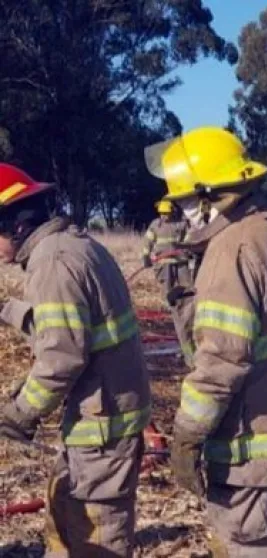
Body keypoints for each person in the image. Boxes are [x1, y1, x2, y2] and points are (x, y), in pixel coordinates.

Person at [143, 126, 267, 557]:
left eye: (184, 202)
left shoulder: (232, 251)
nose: (179, 214)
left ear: (210, 198)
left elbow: (221, 363)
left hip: (251, 451)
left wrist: (186, 436)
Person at [0, 163, 151, 557]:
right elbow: (69, 327)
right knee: (65, 518)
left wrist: (19, 413)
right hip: (101, 417)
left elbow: (61, 356)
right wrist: (7, 309)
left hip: (102, 427)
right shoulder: (72, 246)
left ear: (15, 225)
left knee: (96, 537)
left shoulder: (53, 264)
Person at [142, 199, 196, 366]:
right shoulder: (155, 225)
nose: (165, 217)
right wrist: (145, 256)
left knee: (189, 298)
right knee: (174, 304)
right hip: (164, 267)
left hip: (181, 266)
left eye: (167, 213)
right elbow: (147, 242)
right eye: (162, 214)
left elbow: (189, 241)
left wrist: (187, 252)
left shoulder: (181, 224)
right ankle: (189, 353)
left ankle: (191, 350)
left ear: (172, 211)